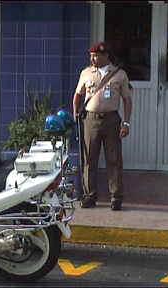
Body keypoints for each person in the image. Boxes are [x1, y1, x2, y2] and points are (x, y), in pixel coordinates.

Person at [72, 42, 133, 211]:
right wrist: (75, 115)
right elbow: (77, 95)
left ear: (106, 56)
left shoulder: (119, 75)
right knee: (89, 159)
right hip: (90, 120)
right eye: (91, 55)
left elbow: (127, 100)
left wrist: (126, 123)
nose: (93, 58)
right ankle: (89, 196)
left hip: (112, 120)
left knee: (114, 159)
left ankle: (116, 197)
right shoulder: (86, 73)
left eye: (96, 55)